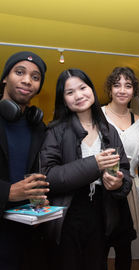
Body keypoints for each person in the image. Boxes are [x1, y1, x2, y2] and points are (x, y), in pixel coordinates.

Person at [39, 68, 132, 270]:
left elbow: (125, 170)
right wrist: (95, 164)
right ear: (63, 99)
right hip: (67, 215)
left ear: (92, 89)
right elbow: (48, 176)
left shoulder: (109, 130)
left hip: (102, 212)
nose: (79, 95)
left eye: (83, 87)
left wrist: (119, 181)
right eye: (70, 92)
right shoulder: (55, 131)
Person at [102, 67, 139, 270]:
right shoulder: (98, 115)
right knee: (99, 244)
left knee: (124, 246)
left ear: (134, 90)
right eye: (117, 85)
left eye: (128, 85)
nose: (122, 90)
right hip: (101, 188)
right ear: (110, 90)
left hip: (128, 189)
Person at [0, 51, 49, 270]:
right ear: (5, 77)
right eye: (19, 72)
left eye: (35, 77)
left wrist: (41, 200)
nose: (27, 80)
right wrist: (7, 192)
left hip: (27, 233)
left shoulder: (38, 127)